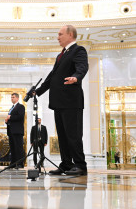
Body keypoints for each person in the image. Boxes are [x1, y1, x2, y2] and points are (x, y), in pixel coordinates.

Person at [35, 25, 88, 175]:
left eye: (60, 34)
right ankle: (66, 164)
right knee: (63, 136)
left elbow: (82, 67)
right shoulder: (62, 54)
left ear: (70, 34)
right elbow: (52, 77)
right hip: (59, 102)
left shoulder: (78, 50)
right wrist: (37, 92)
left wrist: (76, 77)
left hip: (71, 101)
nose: (57, 37)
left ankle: (80, 165)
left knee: (73, 134)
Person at [5, 93, 25, 168]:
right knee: (12, 147)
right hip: (11, 130)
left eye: (13, 97)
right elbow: (10, 118)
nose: (12, 98)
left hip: (17, 130)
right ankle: (13, 163)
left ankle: (20, 163)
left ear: (17, 98)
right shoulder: (12, 108)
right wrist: (7, 121)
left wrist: (10, 117)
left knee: (18, 147)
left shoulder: (21, 107)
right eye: (11, 97)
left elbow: (20, 117)